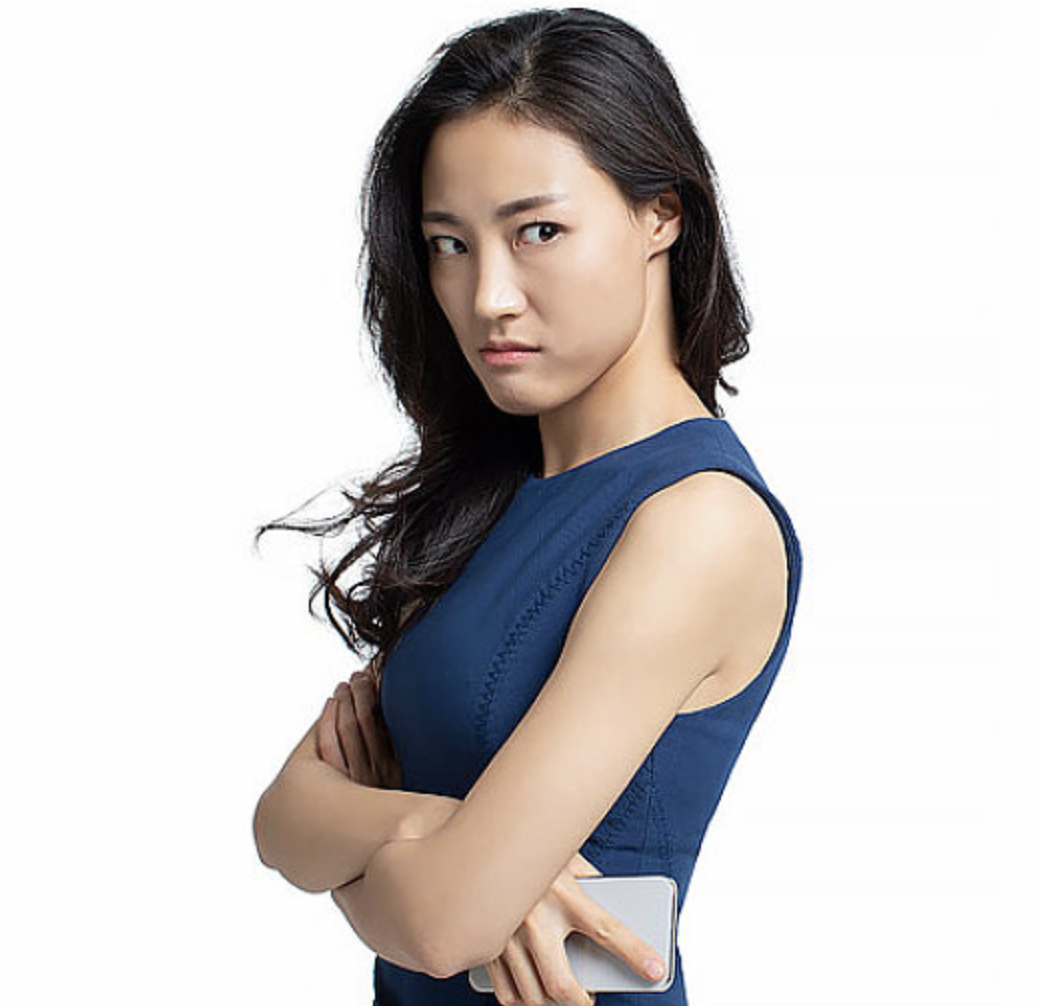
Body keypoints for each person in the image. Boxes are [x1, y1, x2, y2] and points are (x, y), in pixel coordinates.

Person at [252, 8, 803, 1005]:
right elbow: (279, 820)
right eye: (448, 244)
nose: (487, 296)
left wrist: (391, 856)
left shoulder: (697, 522)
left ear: (660, 215)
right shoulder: (492, 495)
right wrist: (426, 830)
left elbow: (443, 923)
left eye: (537, 231)